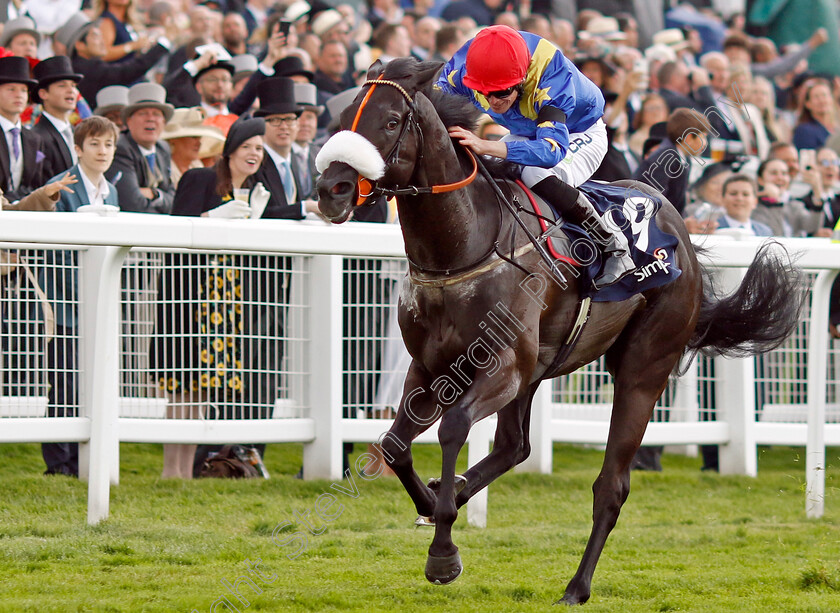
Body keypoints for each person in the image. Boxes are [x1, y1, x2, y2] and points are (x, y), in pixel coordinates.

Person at [438, 25, 633, 290]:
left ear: (521, 80)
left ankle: (612, 244)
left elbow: (551, 151)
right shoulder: (464, 68)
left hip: (577, 132)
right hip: (525, 131)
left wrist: (487, 146)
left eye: (502, 92)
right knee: (483, 169)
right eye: (484, 92)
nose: (493, 101)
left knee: (533, 172)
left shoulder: (551, 76)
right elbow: (429, 102)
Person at [149, 118, 270, 478]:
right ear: (230, 149)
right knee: (180, 388)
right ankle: (172, 470)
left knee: (202, 389)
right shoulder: (199, 178)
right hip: (189, 299)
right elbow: (176, 227)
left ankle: (184, 472)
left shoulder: (254, 191)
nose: (254, 154)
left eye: (259, 149)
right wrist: (210, 217)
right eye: (248, 146)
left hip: (226, 304)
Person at [40, 117, 118, 477]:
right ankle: (59, 464)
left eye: (109, 145)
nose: (103, 152)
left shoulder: (111, 191)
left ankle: (84, 460)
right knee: (66, 382)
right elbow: (57, 253)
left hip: (99, 303)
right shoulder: (62, 188)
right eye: (95, 145)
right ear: (78, 148)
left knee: (92, 383)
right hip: (65, 302)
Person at [105, 82, 176, 214]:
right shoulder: (120, 149)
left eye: (156, 114)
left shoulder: (163, 148)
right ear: (129, 122)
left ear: (164, 122)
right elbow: (133, 204)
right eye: (143, 113)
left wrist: (155, 194)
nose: (150, 119)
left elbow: (174, 200)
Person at [633, 108, 710, 216]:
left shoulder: (684, 158)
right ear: (688, 138)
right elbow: (655, 196)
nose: (705, 143)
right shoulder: (666, 157)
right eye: (703, 137)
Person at [0, 56, 46, 202]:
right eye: (11, 89)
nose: (19, 95)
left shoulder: (34, 139)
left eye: (24, 90)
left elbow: (36, 184)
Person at [32, 56, 84, 182]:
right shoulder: (37, 138)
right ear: (43, 94)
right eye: (62, 85)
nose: (71, 90)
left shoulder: (77, 132)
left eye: (73, 85)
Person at [161, 107, 224, 188]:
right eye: (193, 137)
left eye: (199, 137)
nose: (199, 143)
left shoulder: (197, 166)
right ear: (173, 139)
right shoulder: (163, 168)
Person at [793, 78, 839, 150]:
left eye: (824, 95)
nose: (822, 100)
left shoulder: (836, 127)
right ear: (807, 103)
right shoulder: (804, 130)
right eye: (816, 97)